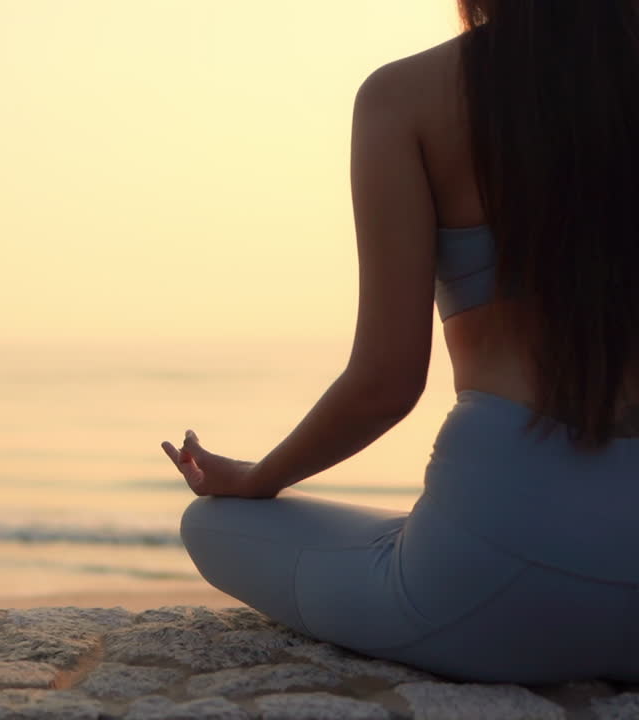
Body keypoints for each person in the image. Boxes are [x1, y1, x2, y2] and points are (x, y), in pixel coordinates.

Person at [160, 0, 639, 685]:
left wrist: (258, 477)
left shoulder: (407, 95)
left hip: (495, 576)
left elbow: (386, 383)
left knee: (210, 527)